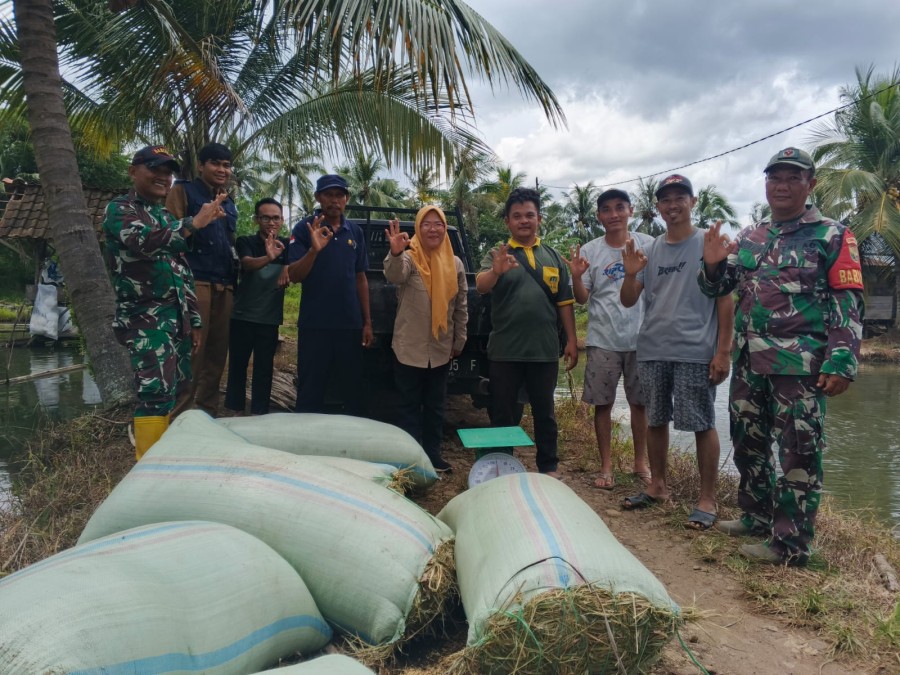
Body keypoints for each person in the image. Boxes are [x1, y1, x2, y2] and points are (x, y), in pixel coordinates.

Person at [698, 148, 864, 565]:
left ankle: (791, 544)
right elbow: (718, 288)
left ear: (809, 184)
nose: (782, 186)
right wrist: (714, 266)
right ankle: (756, 516)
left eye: (792, 178)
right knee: (747, 441)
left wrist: (841, 361)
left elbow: (848, 302)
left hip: (801, 366)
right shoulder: (753, 235)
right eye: (775, 178)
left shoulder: (833, 235)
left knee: (798, 452)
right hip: (750, 362)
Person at [620, 174, 733, 530]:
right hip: (653, 348)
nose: (673, 205)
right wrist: (629, 275)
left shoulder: (709, 243)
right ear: (658, 207)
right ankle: (657, 486)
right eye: (666, 199)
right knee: (655, 418)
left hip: (695, 350)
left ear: (693, 201)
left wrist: (723, 352)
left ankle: (707, 498)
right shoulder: (650, 249)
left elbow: (726, 301)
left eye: (679, 197)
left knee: (701, 421)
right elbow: (628, 300)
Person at [103, 145, 226, 459]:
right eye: (154, 168)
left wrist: (195, 322)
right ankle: (148, 469)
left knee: (176, 391)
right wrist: (194, 223)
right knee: (155, 392)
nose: (163, 176)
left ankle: (167, 460)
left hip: (176, 319)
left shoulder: (162, 214)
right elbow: (144, 242)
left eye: (168, 171)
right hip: (144, 320)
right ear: (133, 171)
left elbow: (180, 269)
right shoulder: (121, 209)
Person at [475, 187, 579, 478]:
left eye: (529, 215)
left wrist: (571, 339)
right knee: (503, 413)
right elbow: (482, 286)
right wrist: (495, 271)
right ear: (507, 221)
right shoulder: (498, 253)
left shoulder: (553, 256)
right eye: (517, 216)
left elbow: (565, 302)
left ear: (539, 219)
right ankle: (500, 465)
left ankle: (548, 467)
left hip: (544, 350)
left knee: (545, 413)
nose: (524, 221)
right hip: (505, 350)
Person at [564, 189, 652, 490]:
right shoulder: (590, 251)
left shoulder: (649, 245)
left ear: (631, 210)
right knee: (603, 404)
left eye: (619, 208)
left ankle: (641, 463)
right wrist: (576, 277)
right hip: (603, 338)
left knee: (640, 404)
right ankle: (605, 467)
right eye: (606, 209)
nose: (613, 214)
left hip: (642, 339)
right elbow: (581, 298)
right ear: (599, 215)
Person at [383, 206, 468, 472]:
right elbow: (394, 274)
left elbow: (461, 305)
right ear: (418, 229)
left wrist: (459, 339)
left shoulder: (455, 263)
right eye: (426, 224)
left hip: (441, 349)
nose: (433, 229)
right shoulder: (410, 256)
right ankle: (409, 459)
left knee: (435, 406)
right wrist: (396, 251)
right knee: (407, 407)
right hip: (409, 347)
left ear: (445, 229)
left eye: (438, 224)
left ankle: (433, 457)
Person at [287, 174, 372, 415]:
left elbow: (360, 278)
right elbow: (294, 275)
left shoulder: (354, 232)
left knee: (352, 390)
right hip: (315, 325)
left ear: (346, 199)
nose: (334, 200)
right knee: (311, 389)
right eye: (328, 195)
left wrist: (367, 322)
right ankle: (304, 444)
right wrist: (314, 250)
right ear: (318, 198)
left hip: (349, 325)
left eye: (339, 195)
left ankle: (349, 445)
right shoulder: (304, 229)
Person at [166, 142, 239, 417]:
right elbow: (169, 234)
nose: (222, 170)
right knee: (192, 353)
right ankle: (179, 417)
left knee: (217, 356)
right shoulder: (183, 190)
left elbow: (229, 243)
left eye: (226, 165)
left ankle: (207, 415)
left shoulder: (228, 201)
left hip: (225, 284)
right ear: (201, 165)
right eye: (216, 164)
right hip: (195, 282)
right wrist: (199, 219)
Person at [224, 198, 291, 416]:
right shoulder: (246, 241)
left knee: (264, 368)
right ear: (256, 220)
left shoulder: (287, 246)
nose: (271, 222)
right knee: (238, 365)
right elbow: (247, 263)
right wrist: (268, 257)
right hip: (242, 315)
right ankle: (235, 410)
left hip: (269, 318)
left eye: (276, 218)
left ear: (282, 220)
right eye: (265, 217)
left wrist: (286, 266)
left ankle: (259, 413)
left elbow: (296, 267)